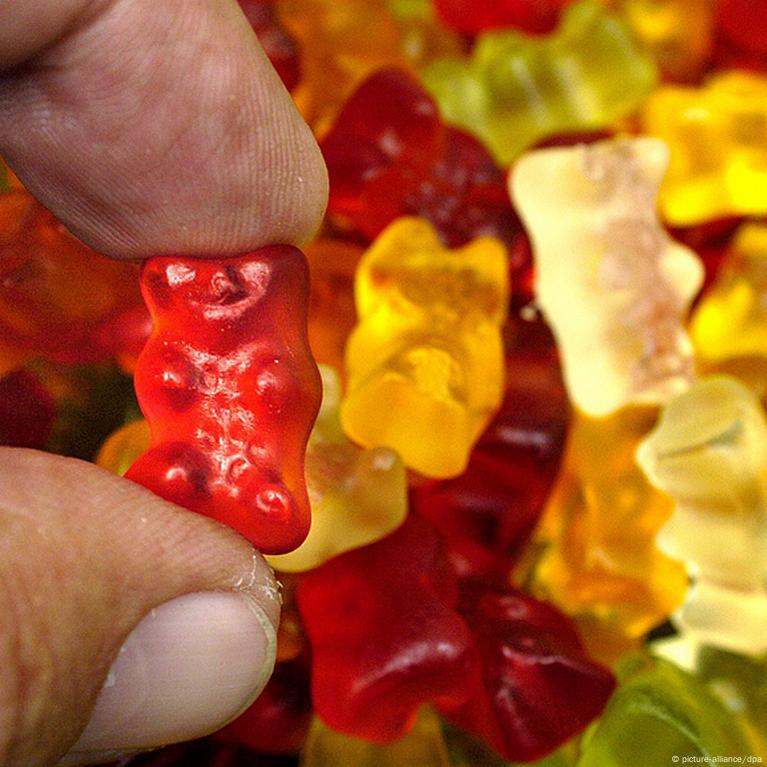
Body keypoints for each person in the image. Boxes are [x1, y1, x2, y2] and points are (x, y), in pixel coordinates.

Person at [0, 1, 328, 765]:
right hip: (194, 461)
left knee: (245, 462)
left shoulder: (247, 289)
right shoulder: (175, 284)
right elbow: (170, 370)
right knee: (177, 466)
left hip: (251, 478)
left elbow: (277, 384)